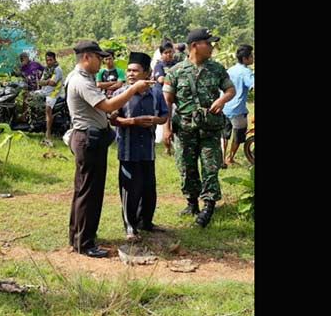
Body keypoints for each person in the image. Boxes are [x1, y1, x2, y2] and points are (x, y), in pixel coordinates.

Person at [64, 40, 153, 258]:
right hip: (88, 139)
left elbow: (100, 109)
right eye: (98, 57)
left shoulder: (84, 78)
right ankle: (84, 243)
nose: (102, 62)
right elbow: (108, 105)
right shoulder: (81, 81)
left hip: (90, 137)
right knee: (90, 193)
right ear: (87, 57)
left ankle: (78, 236)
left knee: (84, 190)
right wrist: (133, 89)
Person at [162, 28, 236, 228]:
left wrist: (222, 100)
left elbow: (230, 89)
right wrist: (166, 129)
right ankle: (191, 203)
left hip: (210, 129)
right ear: (195, 46)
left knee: (211, 167)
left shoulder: (217, 69)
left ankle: (208, 207)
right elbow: (167, 103)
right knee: (187, 167)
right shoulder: (175, 72)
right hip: (185, 129)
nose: (212, 47)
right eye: (208, 43)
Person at [110, 52, 169, 241]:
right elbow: (113, 119)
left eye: (135, 71)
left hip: (148, 150)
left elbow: (164, 116)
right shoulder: (121, 94)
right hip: (128, 149)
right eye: (128, 70)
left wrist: (155, 120)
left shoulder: (156, 93)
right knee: (130, 189)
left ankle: (146, 222)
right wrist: (133, 122)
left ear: (146, 73)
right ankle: (130, 226)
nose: (131, 74)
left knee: (148, 188)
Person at [222, 45, 254, 167]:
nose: (253, 58)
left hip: (224, 106)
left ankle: (222, 159)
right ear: (245, 59)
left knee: (224, 135)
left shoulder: (230, 70)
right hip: (237, 109)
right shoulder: (246, 72)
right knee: (238, 135)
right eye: (251, 56)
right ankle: (230, 158)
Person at [32, 51, 64, 146]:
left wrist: (44, 82)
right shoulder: (47, 70)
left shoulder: (57, 70)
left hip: (54, 93)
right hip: (44, 91)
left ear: (54, 59)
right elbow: (41, 82)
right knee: (29, 96)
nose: (48, 62)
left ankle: (48, 133)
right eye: (47, 60)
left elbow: (53, 83)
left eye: (50, 60)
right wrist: (46, 82)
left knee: (48, 109)